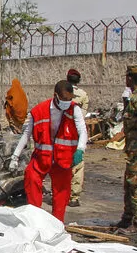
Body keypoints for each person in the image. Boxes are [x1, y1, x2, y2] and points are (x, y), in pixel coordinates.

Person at [10, 81, 87, 222]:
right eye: (64, 99)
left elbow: (82, 130)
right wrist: (15, 157)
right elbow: (26, 135)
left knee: (61, 191)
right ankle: (35, 218)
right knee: (31, 177)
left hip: (63, 159)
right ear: (55, 96)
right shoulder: (39, 111)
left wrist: (80, 150)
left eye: (70, 99)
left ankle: (57, 223)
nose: (67, 102)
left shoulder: (74, 109)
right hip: (42, 157)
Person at [116, 65, 137, 230]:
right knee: (128, 184)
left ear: (130, 78)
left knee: (135, 185)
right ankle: (128, 216)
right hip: (134, 148)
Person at [66, 69, 89, 207]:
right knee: (78, 165)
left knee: (63, 162)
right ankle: (74, 197)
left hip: (64, 132)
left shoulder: (63, 92)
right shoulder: (83, 95)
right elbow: (83, 114)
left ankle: (63, 192)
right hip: (79, 132)